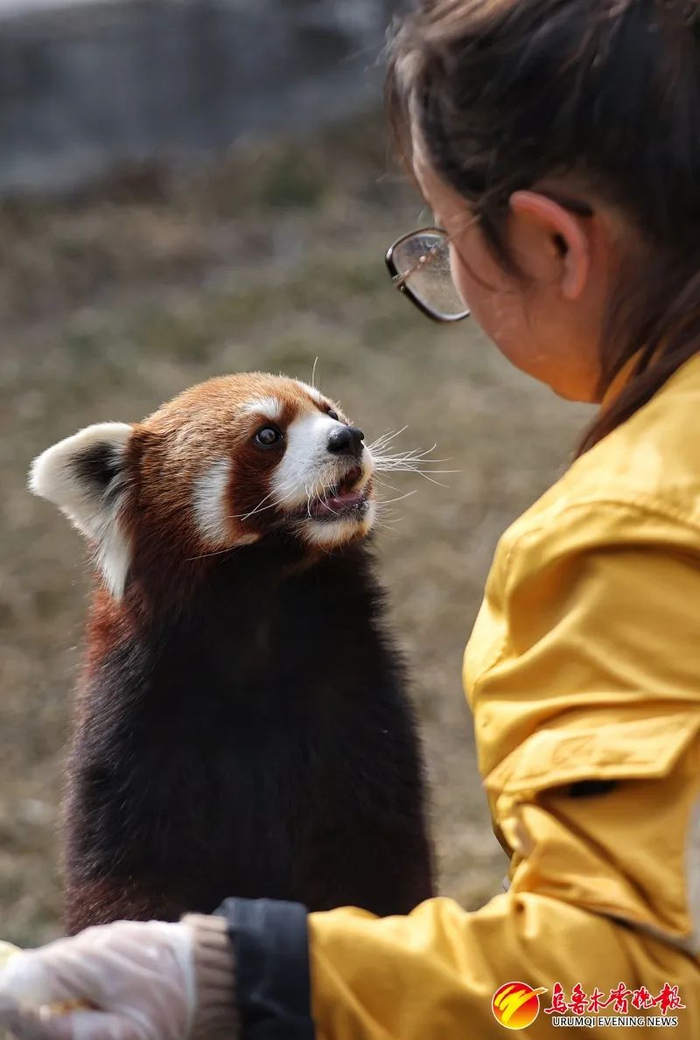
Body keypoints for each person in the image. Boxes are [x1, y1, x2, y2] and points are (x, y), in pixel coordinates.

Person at [3, 0, 700, 1035]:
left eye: (442, 239)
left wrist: (252, 975)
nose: (440, 272)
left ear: (553, 243)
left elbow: (640, 993)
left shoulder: (625, 538)